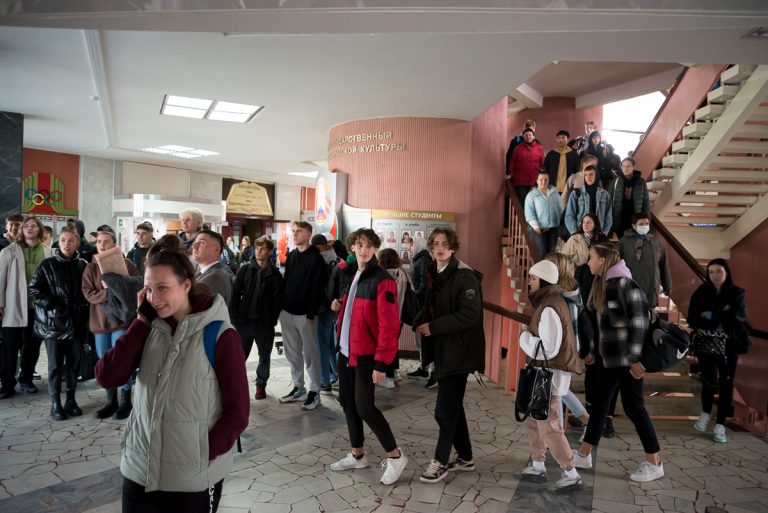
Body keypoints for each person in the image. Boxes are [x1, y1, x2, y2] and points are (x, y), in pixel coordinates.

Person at [95, 235, 248, 512]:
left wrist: (203, 453)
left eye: (163, 288)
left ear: (186, 285)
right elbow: (107, 376)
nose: (154, 298)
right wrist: (141, 322)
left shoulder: (220, 335)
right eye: (148, 289)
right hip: (140, 469)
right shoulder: (149, 327)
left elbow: (237, 412)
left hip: (191, 477)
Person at [573, 242, 664, 483]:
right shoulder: (603, 285)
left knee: (635, 409)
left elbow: (640, 322)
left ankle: (655, 463)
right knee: (599, 406)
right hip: (609, 360)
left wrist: (634, 359)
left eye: (591, 257)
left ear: (603, 260)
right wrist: (593, 352)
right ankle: (583, 454)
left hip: (626, 362)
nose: (588, 262)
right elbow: (602, 327)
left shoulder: (625, 284)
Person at [328, 228, 408, 486]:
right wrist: (339, 306)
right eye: (359, 245)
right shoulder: (355, 274)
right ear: (352, 247)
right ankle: (357, 454)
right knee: (348, 402)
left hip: (365, 355)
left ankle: (395, 456)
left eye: (369, 245)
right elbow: (357, 312)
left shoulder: (382, 280)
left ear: (375, 249)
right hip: (346, 351)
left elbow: (389, 326)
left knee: (365, 407)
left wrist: (382, 363)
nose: (363, 250)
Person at [413, 228, 485, 483]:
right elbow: (432, 307)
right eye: (436, 244)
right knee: (453, 408)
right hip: (445, 350)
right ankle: (465, 457)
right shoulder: (436, 272)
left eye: (445, 244)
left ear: (453, 248)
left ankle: (440, 461)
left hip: (460, 352)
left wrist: (433, 327)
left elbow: (470, 315)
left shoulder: (465, 276)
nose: (440, 248)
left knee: (444, 412)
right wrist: (419, 321)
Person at [518, 259, 583, 491]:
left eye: (534, 278)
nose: (530, 282)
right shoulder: (548, 302)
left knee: (549, 425)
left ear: (544, 280)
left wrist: (524, 338)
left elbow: (549, 349)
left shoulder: (549, 306)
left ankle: (571, 472)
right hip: (544, 376)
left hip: (549, 378)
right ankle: (538, 464)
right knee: (534, 419)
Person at [28, 222, 89, 420]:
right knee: (55, 366)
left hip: (77, 323)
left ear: (77, 243)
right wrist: (52, 304)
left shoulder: (83, 265)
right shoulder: (47, 265)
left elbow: (89, 291)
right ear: (58, 242)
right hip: (53, 324)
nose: (66, 244)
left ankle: (71, 400)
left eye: (71, 241)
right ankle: (55, 403)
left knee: (73, 365)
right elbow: (34, 289)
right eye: (63, 240)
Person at [688, 259, 749, 444]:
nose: (715, 275)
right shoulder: (701, 291)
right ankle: (706, 412)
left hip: (730, 345)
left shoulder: (737, 292)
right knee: (708, 380)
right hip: (706, 343)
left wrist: (709, 314)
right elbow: (693, 318)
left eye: (719, 271)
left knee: (726, 383)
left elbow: (737, 317)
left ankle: (720, 425)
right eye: (711, 271)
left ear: (726, 272)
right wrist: (722, 312)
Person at [82, 227, 140, 419]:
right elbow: (88, 293)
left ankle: (125, 401)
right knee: (104, 360)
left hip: (122, 320)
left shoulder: (126, 263)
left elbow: (137, 284)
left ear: (115, 244)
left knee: (121, 358)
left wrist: (117, 283)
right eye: (99, 241)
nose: (102, 245)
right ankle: (111, 400)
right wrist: (108, 292)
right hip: (100, 321)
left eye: (106, 241)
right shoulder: (90, 267)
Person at [279, 221, 330, 410]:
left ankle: (315, 391)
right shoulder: (292, 255)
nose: (294, 234)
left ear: (308, 234)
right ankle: (298, 387)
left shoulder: (316, 258)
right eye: (293, 231)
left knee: (310, 354)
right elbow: (286, 282)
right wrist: (281, 308)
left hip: (306, 314)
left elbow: (318, 286)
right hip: (287, 311)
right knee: (292, 353)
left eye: (298, 231)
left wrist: (311, 312)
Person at [0, 216, 52, 398]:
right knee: (10, 347)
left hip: (38, 308)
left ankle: (26, 379)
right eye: (26, 226)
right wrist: (0, 304)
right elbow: (0, 280)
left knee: (32, 347)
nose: (30, 228)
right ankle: (7, 383)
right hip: (13, 306)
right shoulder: (8, 251)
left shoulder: (48, 252)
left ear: (40, 229)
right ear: (22, 230)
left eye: (34, 226)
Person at [231, 235, 284, 400]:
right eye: (257, 248)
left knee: (264, 356)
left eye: (263, 248)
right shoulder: (245, 270)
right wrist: (235, 318)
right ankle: (235, 386)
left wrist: (272, 318)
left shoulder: (274, 274)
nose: (259, 251)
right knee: (239, 357)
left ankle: (261, 385)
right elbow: (235, 295)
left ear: (270, 251)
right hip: (244, 322)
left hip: (264, 324)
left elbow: (278, 300)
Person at [618, 213, 672, 309]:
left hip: (651, 285)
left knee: (648, 312)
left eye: (646, 223)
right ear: (634, 226)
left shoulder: (656, 242)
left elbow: (663, 265)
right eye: (641, 224)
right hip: (631, 284)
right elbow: (616, 264)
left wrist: (667, 286)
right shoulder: (624, 242)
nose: (644, 226)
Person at [378, 248, 414, 388]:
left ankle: (388, 377)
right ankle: (395, 371)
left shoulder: (380, 275)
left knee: (384, 347)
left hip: (384, 318)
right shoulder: (404, 274)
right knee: (393, 344)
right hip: (399, 318)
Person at [312, 233, 340, 395]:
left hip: (322, 307)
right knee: (330, 343)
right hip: (333, 307)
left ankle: (325, 381)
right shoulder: (336, 258)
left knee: (321, 345)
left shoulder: (318, 261)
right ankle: (336, 373)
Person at [407, 236, 433, 381]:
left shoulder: (423, 260)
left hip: (422, 304)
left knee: (423, 337)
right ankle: (424, 367)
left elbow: (425, 284)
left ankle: (427, 369)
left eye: (411, 245)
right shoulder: (419, 259)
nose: (409, 248)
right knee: (420, 337)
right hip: (419, 303)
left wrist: (415, 296)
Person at [564, 165, 612, 237]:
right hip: (580, 232)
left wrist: (604, 233)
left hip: (599, 233)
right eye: (586, 175)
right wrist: (575, 233)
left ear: (596, 176)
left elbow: (608, 217)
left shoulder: (605, 194)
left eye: (591, 174)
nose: (588, 177)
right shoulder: (576, 193)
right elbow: (569, 215)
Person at [524, 170, 563, 258]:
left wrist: (561, 223)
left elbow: (561, 209)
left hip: (553, 229)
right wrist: (536, 226)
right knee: (542, 252)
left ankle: (549, 267)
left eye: (546, 179)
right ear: (537, 181)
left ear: (548, 180)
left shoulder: (555, 194)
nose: (543, 182)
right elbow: (529, 213)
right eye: (541, 179)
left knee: (551, 254)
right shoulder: (531, 195)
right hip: (538, 230)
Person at [610, 157, 650, 238]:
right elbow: (610, 200)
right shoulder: (616, 181)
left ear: (633, 167)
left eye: (628, 166)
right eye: (623, 166)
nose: (625, 168)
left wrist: (648, 220)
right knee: (622, 239)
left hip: (635, 216)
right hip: (620, 217)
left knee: (635, 240)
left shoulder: (640, 182)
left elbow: (646, 202)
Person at [192, 230, 233, 305]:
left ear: (216, 249)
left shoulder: (215, 278)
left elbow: (197, 309)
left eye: (202, 243)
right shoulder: (205, 272)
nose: (194, 246)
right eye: (195, 242)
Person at [507, 127, 546, 206]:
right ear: (523, 136)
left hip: (534, 181)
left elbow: (543, 163)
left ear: (533, 136)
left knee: (533, 201)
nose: (528, 136)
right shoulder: (518, 148)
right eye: (526, 135)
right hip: (520, 181)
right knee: (523, 202)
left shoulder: (539, 148)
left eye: (530, 135)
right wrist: (511, 172)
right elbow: (513, 161)